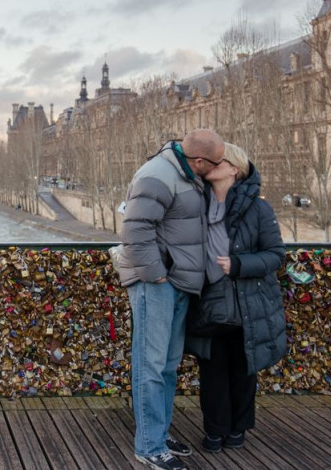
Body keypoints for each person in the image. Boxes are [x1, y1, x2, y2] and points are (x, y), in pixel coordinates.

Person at [119, 128, 225, 470]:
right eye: (215, 164)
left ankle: (159, 434)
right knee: (150, 366)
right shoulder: (157, 175)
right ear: (198, 161)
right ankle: (149, 446)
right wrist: (157, 275)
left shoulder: (184, 174)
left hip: (175, 281)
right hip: (157, 284)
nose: (217, 168)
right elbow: (135, 230)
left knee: (165, 365)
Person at [186, 143, 285, 453]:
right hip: (209, 300)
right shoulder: (194, 203)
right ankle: (215, 430)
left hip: (247, 300)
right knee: (212, 369)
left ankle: (238, 428)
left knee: (243, 369)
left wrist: (240, 264)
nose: (212, 163)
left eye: (220, 159)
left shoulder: (258, 208)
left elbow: (275, 255)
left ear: (235, 168)